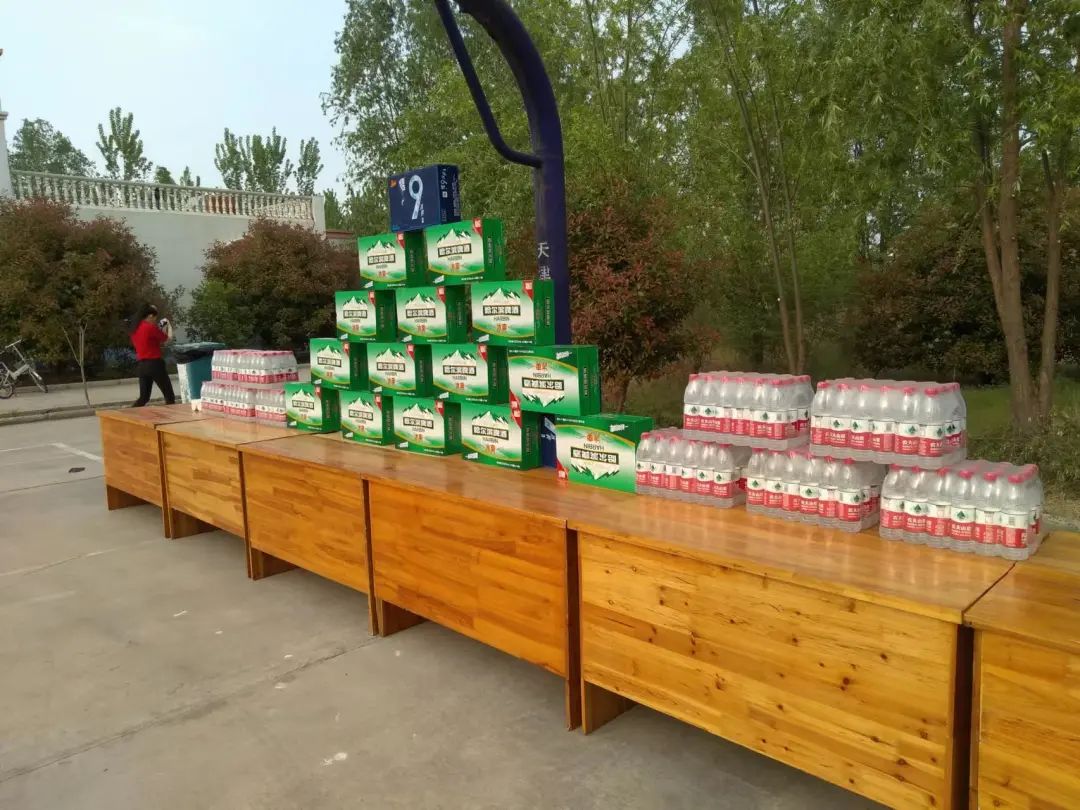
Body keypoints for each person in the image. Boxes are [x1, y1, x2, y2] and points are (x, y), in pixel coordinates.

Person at [129, 304, 176, 407]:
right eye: (154, 318)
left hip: (142, 366)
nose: (155, 321)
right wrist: (168, 326)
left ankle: (129, 413)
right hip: (155, 364)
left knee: (144, 398)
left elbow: (150, 342)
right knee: (169, 396)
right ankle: (172, 415)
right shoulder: (150, 328)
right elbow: (166, 340)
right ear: (150, 316)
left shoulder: (134, 329)